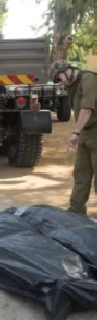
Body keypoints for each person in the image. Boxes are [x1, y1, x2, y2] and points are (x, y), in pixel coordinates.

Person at [50, 60, 97, 214]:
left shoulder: (88, 79)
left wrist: (75, 132)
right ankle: (76, 211)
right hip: (86, 132)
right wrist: (79, 133)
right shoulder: (73, 86)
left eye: (59, 77)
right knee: (81, 173)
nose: (60, 82)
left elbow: (87, 109)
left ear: (67, 70)